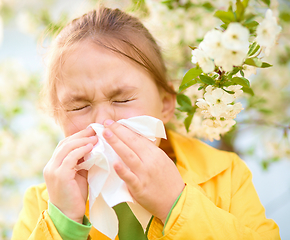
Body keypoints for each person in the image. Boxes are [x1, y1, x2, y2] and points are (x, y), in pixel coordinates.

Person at [12, 6, 280, 240]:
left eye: (122, 99)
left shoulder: (225, 176)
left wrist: (175, 204)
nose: (103, 121)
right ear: (58, 117)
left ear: (165, 104)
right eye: (79, 106)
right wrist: (64, 224)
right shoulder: (44, 204)